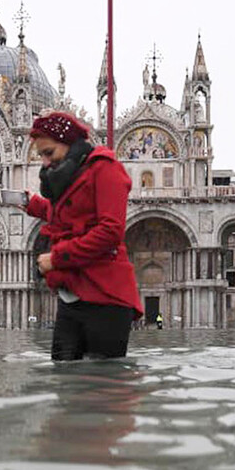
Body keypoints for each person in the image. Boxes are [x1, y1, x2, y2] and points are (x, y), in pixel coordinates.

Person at [19, 111, 142, 360]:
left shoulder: (105, 169)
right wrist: (31, 204)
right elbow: (71, 215)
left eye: (49, 153)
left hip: (106, 295)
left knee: (103, 383)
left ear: (69, 143)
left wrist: (56, 259)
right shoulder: (69, 175)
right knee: (64, 378)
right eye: (41, 155)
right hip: (73, 293)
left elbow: (110, 231)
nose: (44, 162)